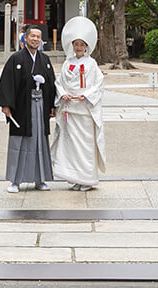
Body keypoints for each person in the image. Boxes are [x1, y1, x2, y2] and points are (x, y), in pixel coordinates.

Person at [0, 23, 57, 192]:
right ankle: (15, 181)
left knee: (39, 142)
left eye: (38, 37)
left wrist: (52, 105)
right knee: (18, 142)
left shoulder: (45, 59)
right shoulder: (17, 58)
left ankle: (40, 179)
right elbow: (7, 82)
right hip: (21, 106)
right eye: (32, 36)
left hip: (41, 105)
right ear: (25, 38)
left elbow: (51, 83)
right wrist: (6, 105)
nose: (35, 39)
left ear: (41, 40)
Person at [50, 15, 106, 191]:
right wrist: (63, 94)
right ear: (72, 46)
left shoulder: (92, 64)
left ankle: (87, 179)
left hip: (85, 111)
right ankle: (75, 178)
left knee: (86, 145)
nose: (79, 47)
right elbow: (59, 82)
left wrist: (87, 95)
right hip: (70, 110)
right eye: (76, 44)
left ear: (87, 46)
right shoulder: (68, 63)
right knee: (71, 146)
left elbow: (99, 83)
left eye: (82, 44)